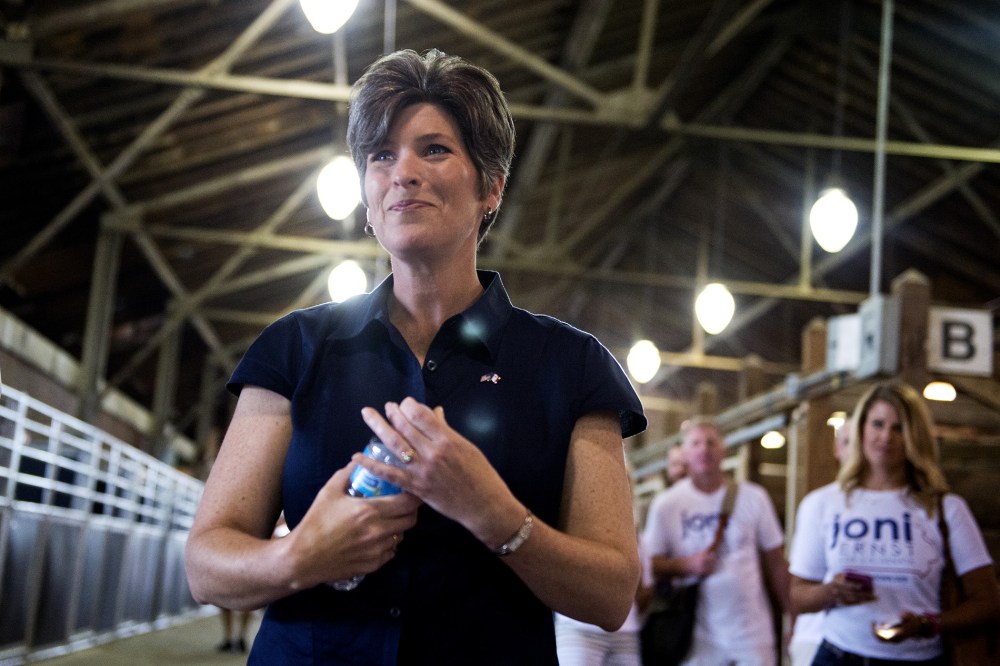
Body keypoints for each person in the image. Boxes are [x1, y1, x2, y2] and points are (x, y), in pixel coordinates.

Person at [184, 48, 646, 665]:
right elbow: (206, 565)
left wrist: (496, 516)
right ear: (368, 198)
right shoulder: (294, 349)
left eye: (433, 149)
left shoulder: (573, 366)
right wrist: (300, 556)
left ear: (491, 187)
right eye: (381, 155)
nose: (402, 171)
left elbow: (612, 594)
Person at [789, 381, 1000, 665]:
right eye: (877, 424)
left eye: (899, 428)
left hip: (918, 658)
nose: (886, 436)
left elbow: (987, 601)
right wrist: (832, 592)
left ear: (915, 436)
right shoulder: (823, 503)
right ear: (861, 428)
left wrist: (927, 624)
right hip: (838, 654)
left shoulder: (946, 508)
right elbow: (797, 597)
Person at [643, 417, 790, 666]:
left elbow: (776, 562)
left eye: (711, 442)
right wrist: (686, 565)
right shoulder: (667, 505)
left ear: (724, 450)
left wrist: (794, 616)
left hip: (751, 635)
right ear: (685, 453)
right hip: (696, 636)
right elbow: (649, 563)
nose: (704, 449)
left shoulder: (754, 497)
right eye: (696, 443)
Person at [786, 419, 851, 666]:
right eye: (848, 442)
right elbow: (799, 580)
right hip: (815, 636)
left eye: (860, 443)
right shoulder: (820, 502)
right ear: (837, 448)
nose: (855, 451)